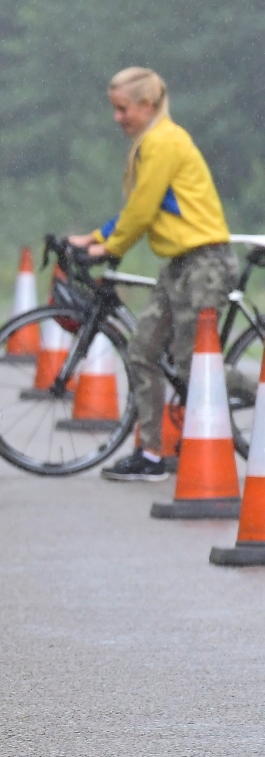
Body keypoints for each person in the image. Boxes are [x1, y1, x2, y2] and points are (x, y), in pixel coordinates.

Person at [67, 68, 252, 482]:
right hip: (179, 265)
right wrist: (94, 237)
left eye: (123, 109)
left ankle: (258, 393)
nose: (117, 118)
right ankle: (151, 455)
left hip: (204, 264)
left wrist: (109, 248)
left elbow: (143, 208)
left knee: (192, 366)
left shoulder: (164, 141)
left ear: (147, 105)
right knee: (142, 352)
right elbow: (140, 205)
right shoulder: (152, 142)